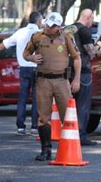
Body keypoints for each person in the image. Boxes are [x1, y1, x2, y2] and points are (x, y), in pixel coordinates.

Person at [23, 12, 81, 161]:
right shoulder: (37, 36)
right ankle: (46, 150)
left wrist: (76, 79)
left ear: (59, 27)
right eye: (48, 24)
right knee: (43, 117)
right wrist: (31, 58)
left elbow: (76, 57)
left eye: (53, 26)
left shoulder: (67, 37)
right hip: (43, 81)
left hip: (62, 81)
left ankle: (68, 149)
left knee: (67, 116)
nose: (49, 28)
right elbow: (26, 53)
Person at [0, 11, 43, 135]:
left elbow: (4, 44)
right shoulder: (41, 34)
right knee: (37, 99)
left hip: (24, 69)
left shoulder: (20, 32)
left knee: (22, 98)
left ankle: (21, 126)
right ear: (39, 21)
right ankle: (35, 127)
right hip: (38, 69)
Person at [65, 9, 101, 146]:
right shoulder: (85, 31)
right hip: (83, 73)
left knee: (70, 105)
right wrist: (99, 46)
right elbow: (91, 53)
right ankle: (81, 135)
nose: (92, 22)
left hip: (67, 71)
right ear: (87, 18)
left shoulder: (67, 29)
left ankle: (69, 133)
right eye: (91, 19)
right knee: (83, 105)